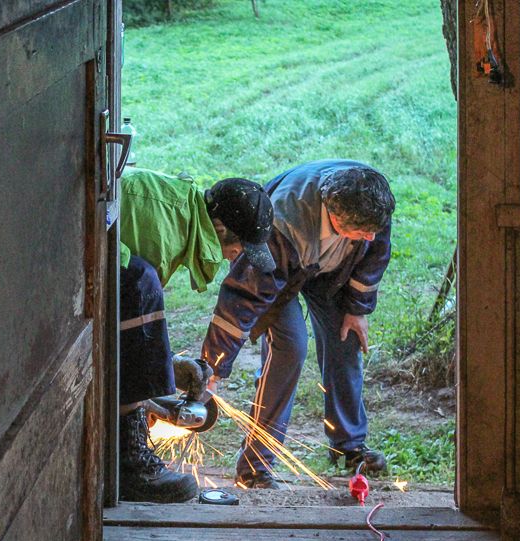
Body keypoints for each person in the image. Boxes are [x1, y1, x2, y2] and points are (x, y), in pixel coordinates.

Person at [200, 160, 396, 489]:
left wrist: (357, 309)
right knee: (290, 348)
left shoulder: (370, 204)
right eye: (363, 231)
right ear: (335, 215)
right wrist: (213, 367)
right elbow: (242, 299)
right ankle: (255, 465)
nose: (372, 235)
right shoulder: (280, 228)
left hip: (330, 271)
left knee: (344, 339)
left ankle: (349, 446)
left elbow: (375, 251)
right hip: (282, 272)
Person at [118, 167, 275, 502]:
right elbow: (116, 321)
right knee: (140, 284)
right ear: (220, 229)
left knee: (140, 287)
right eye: (238, 249)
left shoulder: (179, 217)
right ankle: (129, 465)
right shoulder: (164, 230)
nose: (236, 257)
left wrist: (167, 366)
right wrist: (150, 379)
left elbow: (125, 329)